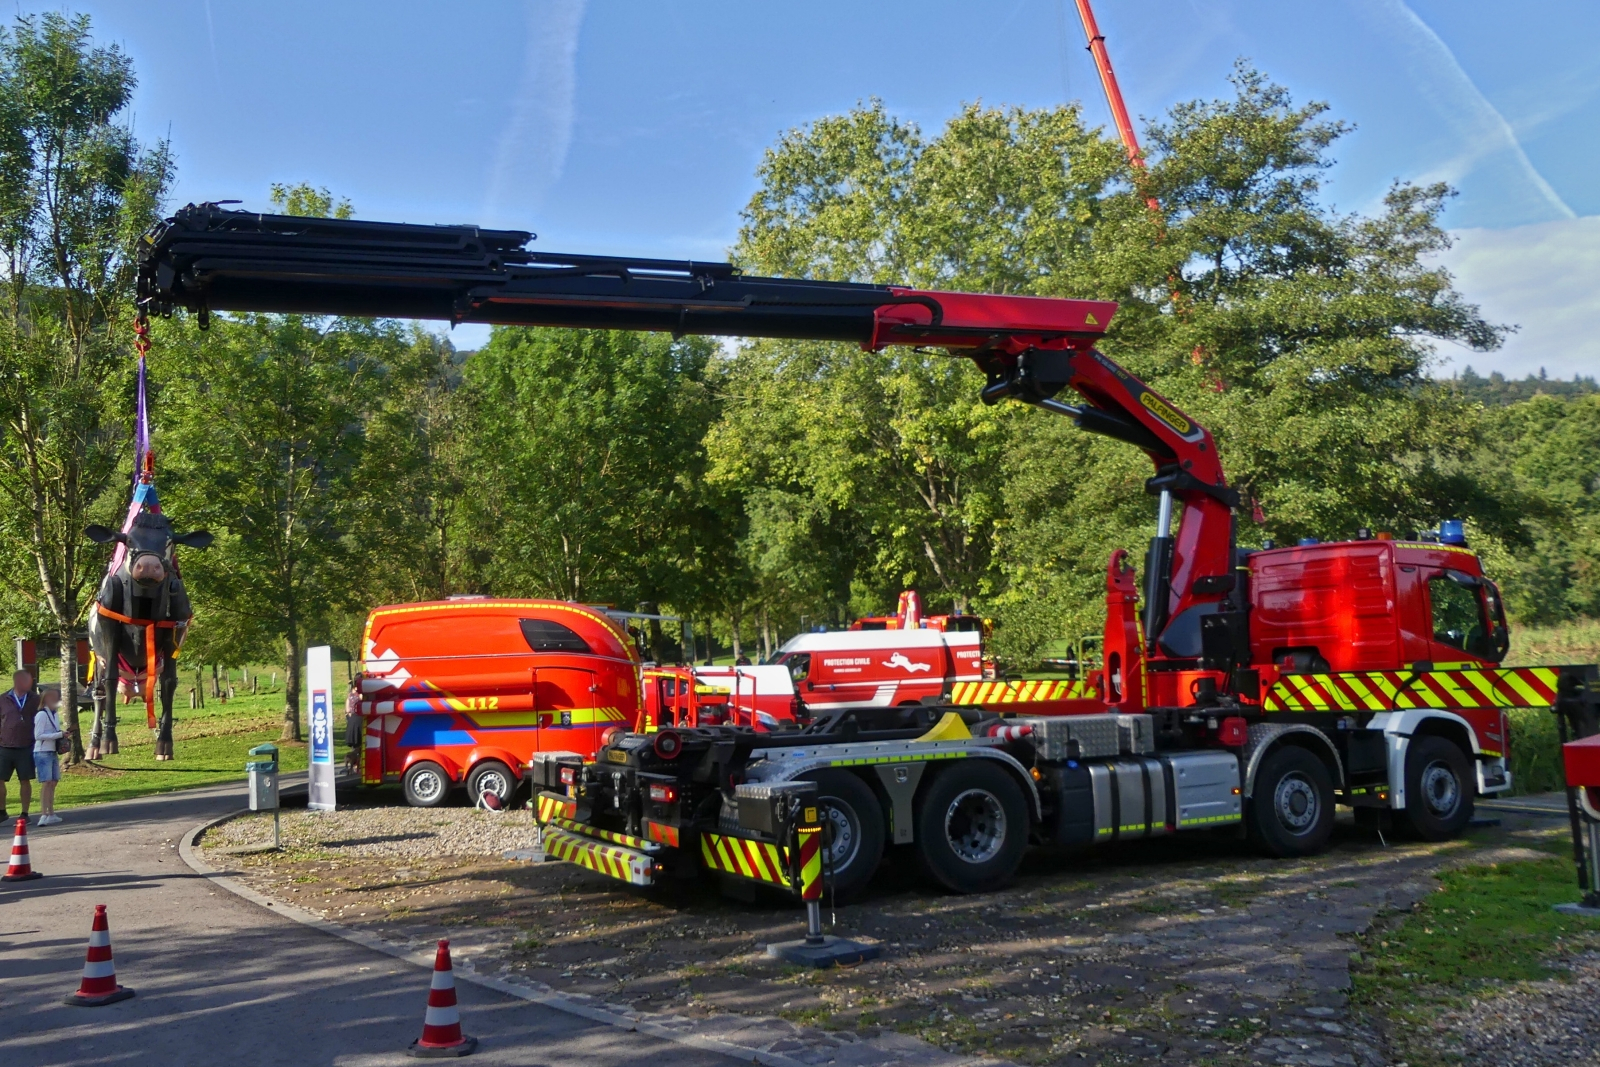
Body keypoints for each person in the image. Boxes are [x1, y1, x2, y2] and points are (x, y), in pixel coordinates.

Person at [0, 669, 38, 822]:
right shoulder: (3, 699)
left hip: (26, 746)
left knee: (24, 780)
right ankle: (2, 811)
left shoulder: (36, 699)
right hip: (4, 747)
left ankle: (25, 813)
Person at [32, 687, 63, 825]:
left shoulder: (54, 714)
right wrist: (58, 735)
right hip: (42, 751)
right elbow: (38, 735)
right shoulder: (41, 715)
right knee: (46, 783)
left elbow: (55, 731)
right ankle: (43, 814)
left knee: (53, 782)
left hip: (52, 750)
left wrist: (63, 734)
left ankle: (51, 813)